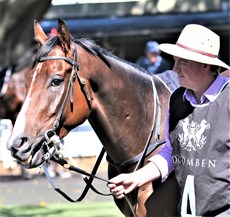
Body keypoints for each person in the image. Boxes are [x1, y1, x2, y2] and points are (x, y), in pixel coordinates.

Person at [108, 24, 230, 216]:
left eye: (182, 62)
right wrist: (137, 178)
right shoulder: (176, 99)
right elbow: (170, 152)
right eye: (174, 61)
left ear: (205, 65)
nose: (174, 69)